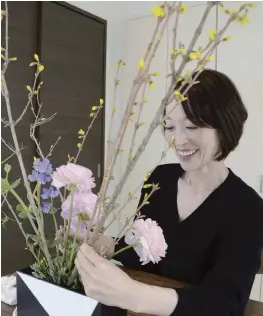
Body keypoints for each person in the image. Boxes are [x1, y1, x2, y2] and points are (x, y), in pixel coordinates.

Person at [75, 69, 263, 316]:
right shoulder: (160, 178)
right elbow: (141, 253)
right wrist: (96, 242)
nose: (178, 140)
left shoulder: (247, 207)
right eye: (169, 126)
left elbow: (225, 304)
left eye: (192, 126)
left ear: (225, 127)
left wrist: (133, 294)